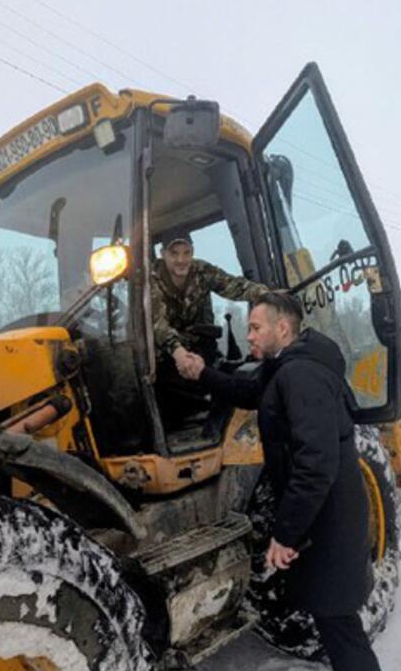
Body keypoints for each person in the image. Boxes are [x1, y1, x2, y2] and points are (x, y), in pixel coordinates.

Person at [178, 292, 381, 671]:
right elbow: (250, 393)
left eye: (255, 328)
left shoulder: (301, 375)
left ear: (282, 328)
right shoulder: (284, 367)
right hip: (322, 514)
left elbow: (316, 463)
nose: (249, 335)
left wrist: (285, 534)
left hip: (330, 518)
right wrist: (203, 373)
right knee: (333, 619)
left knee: (340, 627)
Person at [151, 234, 268, 431]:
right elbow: (158, 323)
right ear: (163, 254)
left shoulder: (201, 271)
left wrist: (264, 294)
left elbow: (231, 285)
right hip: (166, 354)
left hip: (201, 346)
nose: (181, 260)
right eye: (174, 254)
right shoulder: (151, 280)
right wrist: (178, 353)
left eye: (186, 253)